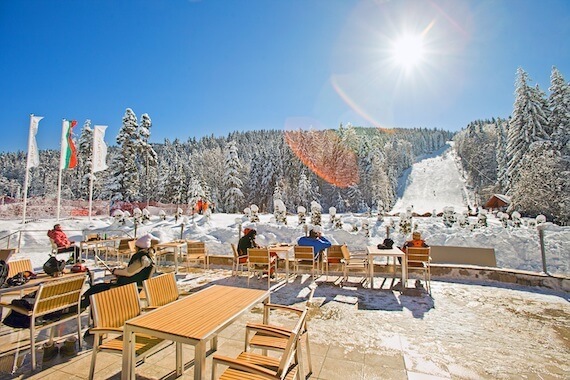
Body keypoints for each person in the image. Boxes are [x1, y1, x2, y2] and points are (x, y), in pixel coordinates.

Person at [80, 233, 156, 309]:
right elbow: (134, 271)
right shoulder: (149, 257)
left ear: (138, 247)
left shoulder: (140, 257)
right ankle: (83, 306)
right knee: (98, 287)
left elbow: (128, 273)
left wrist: (115, 271)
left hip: (128, 288)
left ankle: (82, 307)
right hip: (135, 286)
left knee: (95, 289)